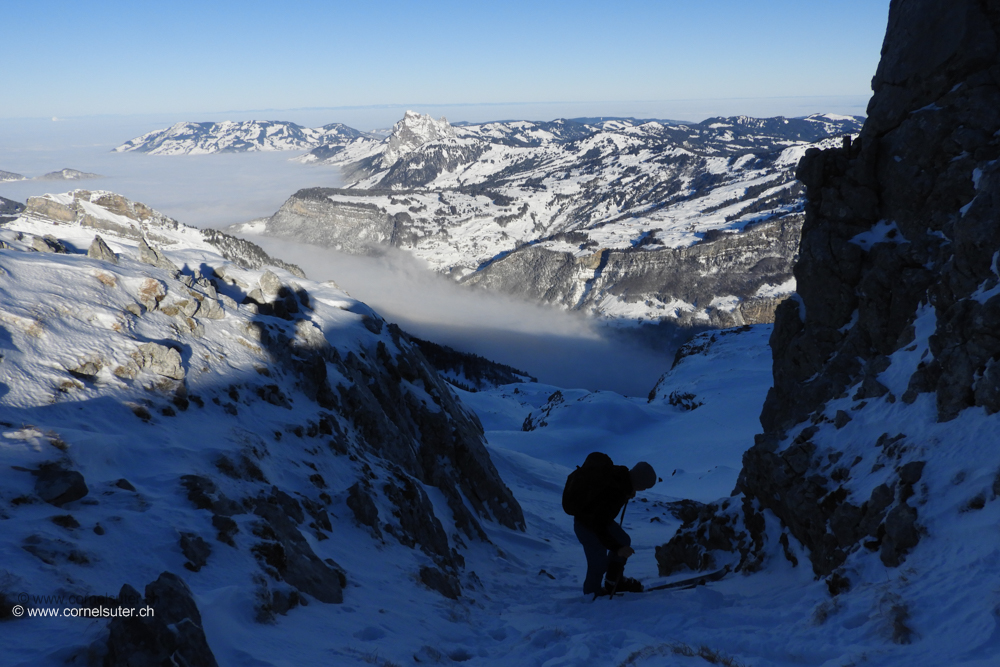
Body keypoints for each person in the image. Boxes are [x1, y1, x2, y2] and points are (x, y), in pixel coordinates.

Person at [568, 454, 657, 597]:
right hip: (586, 526)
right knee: (598, 564)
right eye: (644, 487)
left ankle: (613, 581)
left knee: (623, 540)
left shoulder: (621, 479)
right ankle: (592, 594)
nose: (644, 490)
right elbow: (598, 525)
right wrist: (617, 549)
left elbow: (603, 516)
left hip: (593, 521)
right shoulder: (616, 490)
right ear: (639, 482)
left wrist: (628, 491)